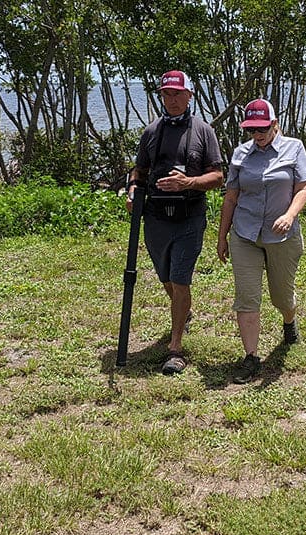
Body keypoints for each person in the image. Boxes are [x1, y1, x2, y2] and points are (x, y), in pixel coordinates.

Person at [126, 70, 224, 375]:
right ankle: (184, 311)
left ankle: (176, 348)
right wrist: (131, 192)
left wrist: (189, 182)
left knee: (181, 279)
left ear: (189, 96)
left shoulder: (203, 131)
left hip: (189, 217)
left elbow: (218, 177)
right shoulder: (151, 132)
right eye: (166, 94)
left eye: (178, 94)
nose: (172, 100)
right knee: (166, 278)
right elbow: (138, 171)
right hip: (155, 218)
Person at [217, 98, 306, 384]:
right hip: (244, 234)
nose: (257, 135)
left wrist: (290, 215)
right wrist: (222, 236)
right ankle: (251, 357)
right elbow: (231, 196)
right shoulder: (240, 154)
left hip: (281, 236)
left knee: (281, 297)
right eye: (251, 129)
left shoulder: (294, 147)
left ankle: (289, 320)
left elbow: (304, 186)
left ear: (274, 125)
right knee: (247, 297)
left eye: (262, 128)